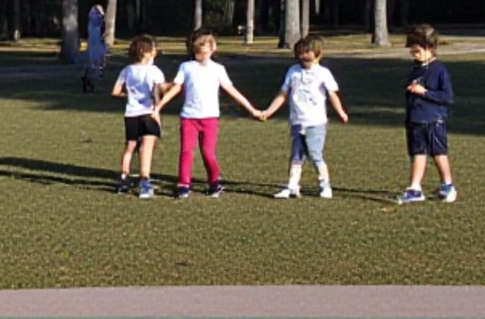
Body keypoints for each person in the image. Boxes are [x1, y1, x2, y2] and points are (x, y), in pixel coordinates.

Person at [154, 28, 259, 199]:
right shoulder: (186, 67)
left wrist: (251, 109)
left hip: (210, 118)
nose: (200, 56)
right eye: (197, 53)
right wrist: (159, 106)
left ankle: (214, 182)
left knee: (208, 152)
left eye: (204, 53)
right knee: (186, 151)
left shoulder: (218, 69)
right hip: (189, 117)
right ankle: (183, 184)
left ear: (213, 49)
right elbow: (176, 88)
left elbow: (231, 90)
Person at [256, 33, 348, 199]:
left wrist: (341, 112)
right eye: (300, 52)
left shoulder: (323, 73)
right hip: (297, 121)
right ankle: (292, 186)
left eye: (307, 52)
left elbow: (332, 95)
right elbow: (283, 94)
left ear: (317, 53)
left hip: (316, 122)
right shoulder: (293, 72)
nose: (303, 56)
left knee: (314, 154)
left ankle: (325, 185)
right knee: (296, 155)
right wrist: (268, 111)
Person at [398, 24, 456, 203]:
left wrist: (424, 92)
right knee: (418, 152)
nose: (413, 54)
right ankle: (415, 188)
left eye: (417, 51)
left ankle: (447, 185)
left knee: (438, 152)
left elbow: (447, 96)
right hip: (415, 119)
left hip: (433, 119)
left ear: (429, 48)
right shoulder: (416, 69)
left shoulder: (439, 70)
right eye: (412, 51)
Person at [110, 34, 165, 198]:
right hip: (148, 113)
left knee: (130, 147)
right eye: (153, 49)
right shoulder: (155, 71)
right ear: (146, 52)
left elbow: (115, 91)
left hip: (131, 114)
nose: (155, 51)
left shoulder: (126, 70)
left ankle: (123, 179)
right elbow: (158, 93)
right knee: (146, 148)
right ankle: (144, 181)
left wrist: (129, 95)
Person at [81, 3, 108, 92]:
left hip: (95, 43)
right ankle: (91, 79)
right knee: (95, 62)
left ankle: (90, 78)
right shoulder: (96, 21)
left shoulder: (95, 22)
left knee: (95, 62)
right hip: (95, 44)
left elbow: (102, 34)